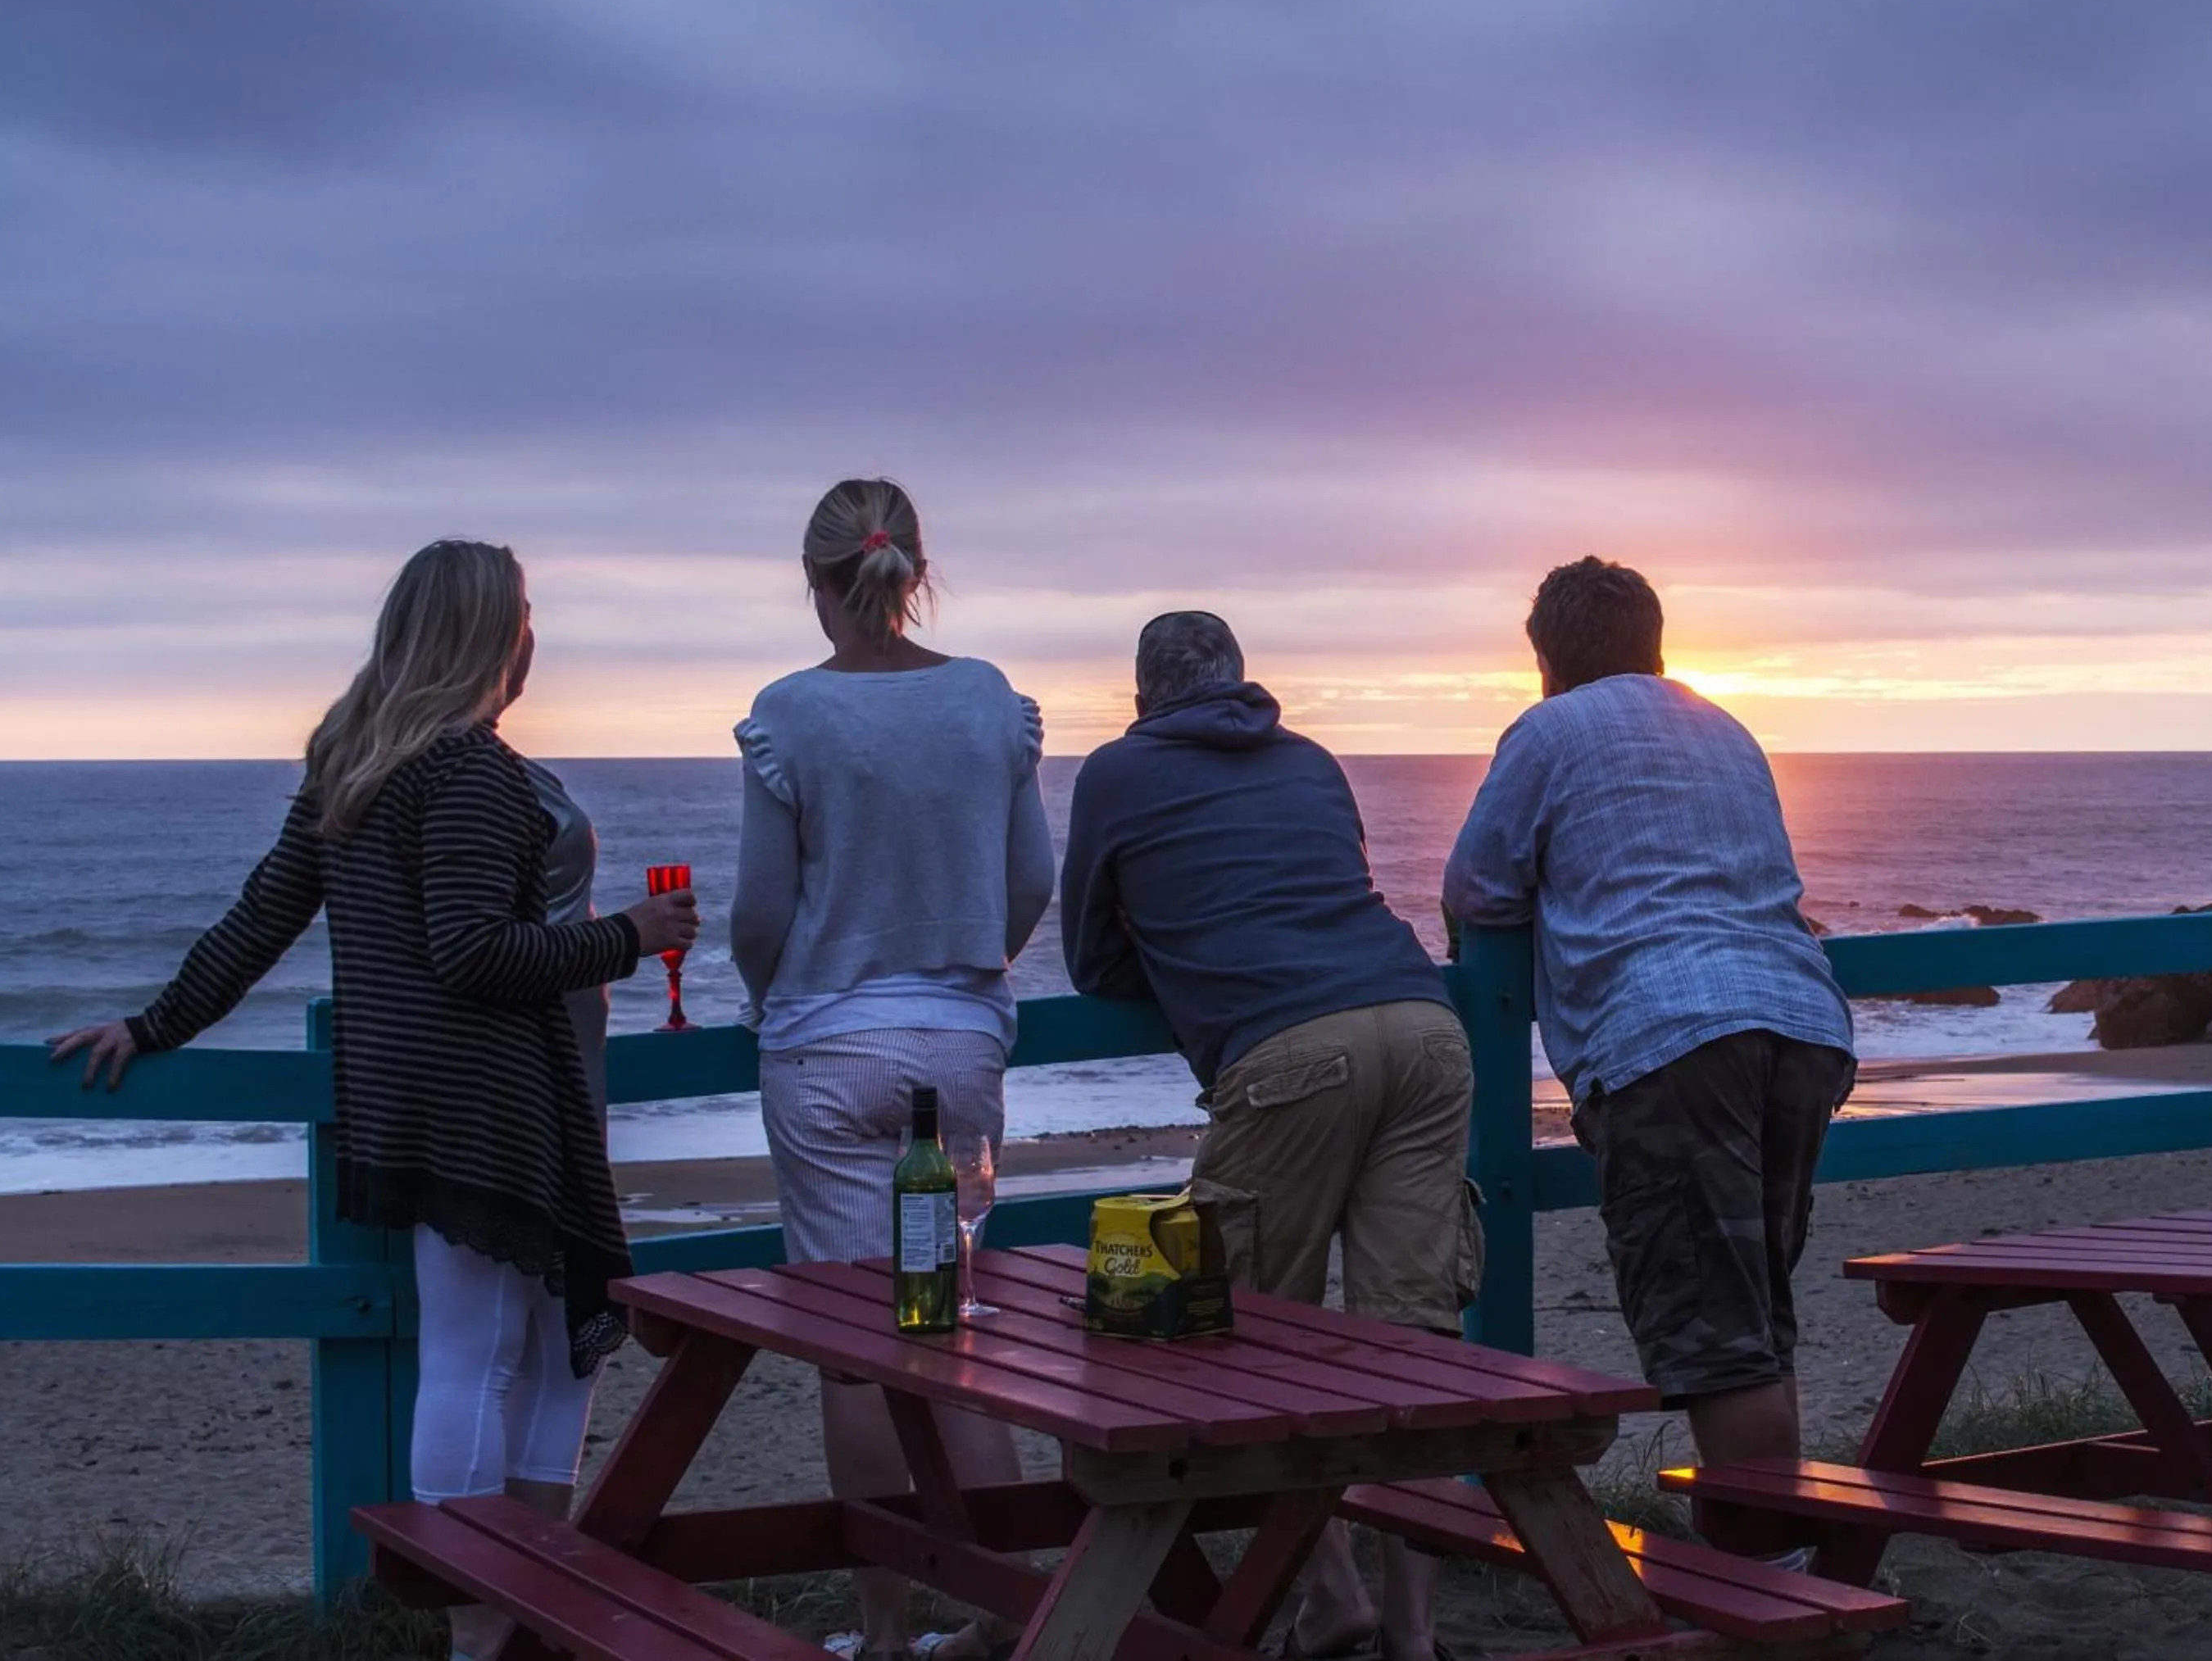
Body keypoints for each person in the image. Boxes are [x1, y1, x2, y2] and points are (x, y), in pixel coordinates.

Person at [49, 540, 697, 1661]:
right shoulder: (469, 773)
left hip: (411, 1095)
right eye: (524, 613)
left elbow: (263, 915)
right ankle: (482, 1631)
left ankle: (513, 1615)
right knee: (490, 1353)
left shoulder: (354, 760)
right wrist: (628, 938)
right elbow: (474, 953)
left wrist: (156, 1024)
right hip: (491, 1100)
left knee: (533, 1349)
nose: (534, 634)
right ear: (493, 634)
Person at [1060, 610, 1478, 1661]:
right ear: (1243, 681)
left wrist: (1182, 963)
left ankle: (1333, 1598)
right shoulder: (1312, 760)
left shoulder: (1115, 773)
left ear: (1142, 696)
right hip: (1423, 1026)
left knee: (1238, 1344)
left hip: (1286, 1052)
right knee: (1413, 1345)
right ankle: (1415, 1636)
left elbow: (1091, 959)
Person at [1442, 556, 1854, 1556]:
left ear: (1545, 659)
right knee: (1753, 1314)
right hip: (1801, 1021)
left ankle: (1767, 1577)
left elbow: (1477, 888)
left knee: (1718, 1338)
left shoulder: (1549, 730)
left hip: (1671, 1039)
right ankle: (1777, 1549)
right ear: (1656, 644)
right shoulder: (1725, 727)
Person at [729, 477, 1053, 1661]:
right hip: (958, 1045)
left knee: (855, 1353)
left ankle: (881, 1629)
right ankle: (1006, 1611)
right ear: (916, 572)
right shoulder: (987, 699)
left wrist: (769, 995)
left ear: (816, 582)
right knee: (951, 1325)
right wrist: (970, 966)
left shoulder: (790, 713)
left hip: (823, 1048)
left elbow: (761, 911)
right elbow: (1029, 881)